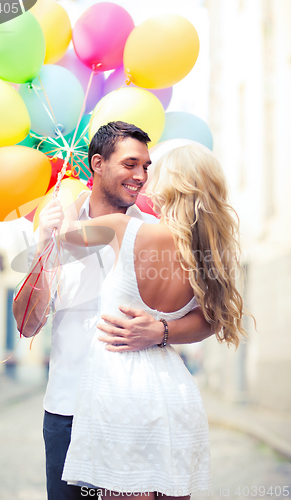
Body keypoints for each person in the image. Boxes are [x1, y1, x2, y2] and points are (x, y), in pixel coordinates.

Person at [13, 122, 212, 500]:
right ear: (98, 164)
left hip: (135, 410)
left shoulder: (157, 230)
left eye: (146, 167)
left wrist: (162, 331)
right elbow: (27, 323)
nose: (141, 177)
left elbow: (208, 318)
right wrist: (42, 248)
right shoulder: (57, 226)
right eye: (130, 164)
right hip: (68, 411)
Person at [59, 142, 247, 499]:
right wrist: (163, 331)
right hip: (175, 393)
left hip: (119, 393)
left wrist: (68, 187)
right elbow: (211, 321)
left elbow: (66, 237)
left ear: (167, 184)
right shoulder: (207, 255)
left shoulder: (122, 228)